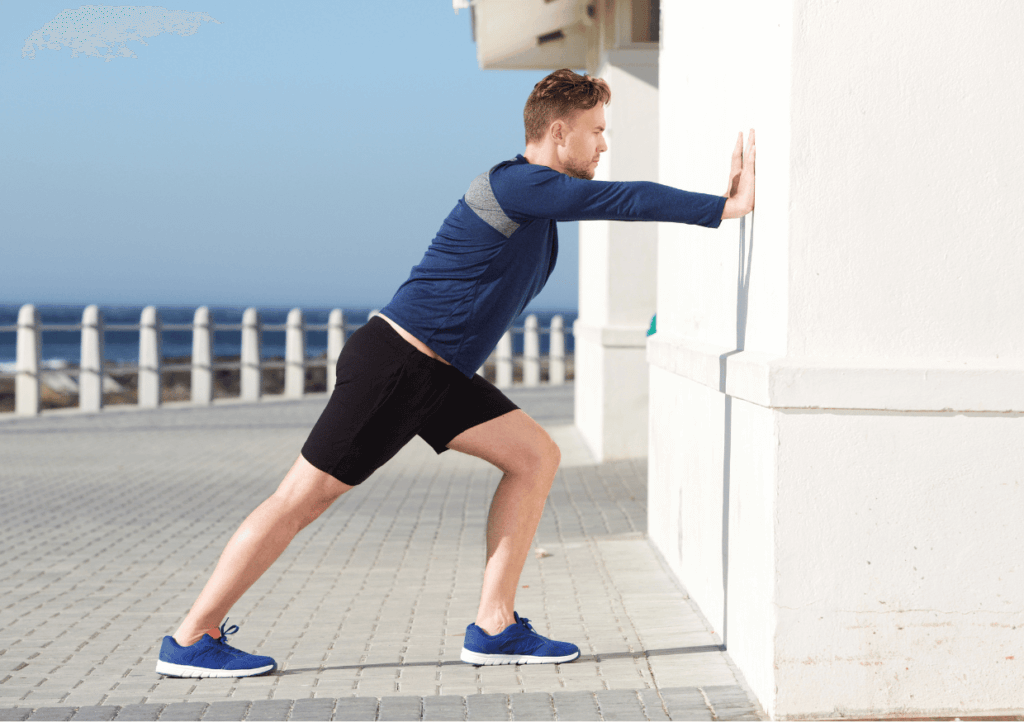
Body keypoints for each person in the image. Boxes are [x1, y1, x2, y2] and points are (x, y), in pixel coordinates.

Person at [155, 68, 755, 678]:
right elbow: (620, 199)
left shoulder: (535, 203)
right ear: (557, 131)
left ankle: (495, 626)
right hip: (396, 365)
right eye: (596, 131)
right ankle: (191, 638)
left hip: (437, 377)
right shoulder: (520, 184)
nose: (603, 144)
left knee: (535, 457)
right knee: (298, 502)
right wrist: (725, 207)